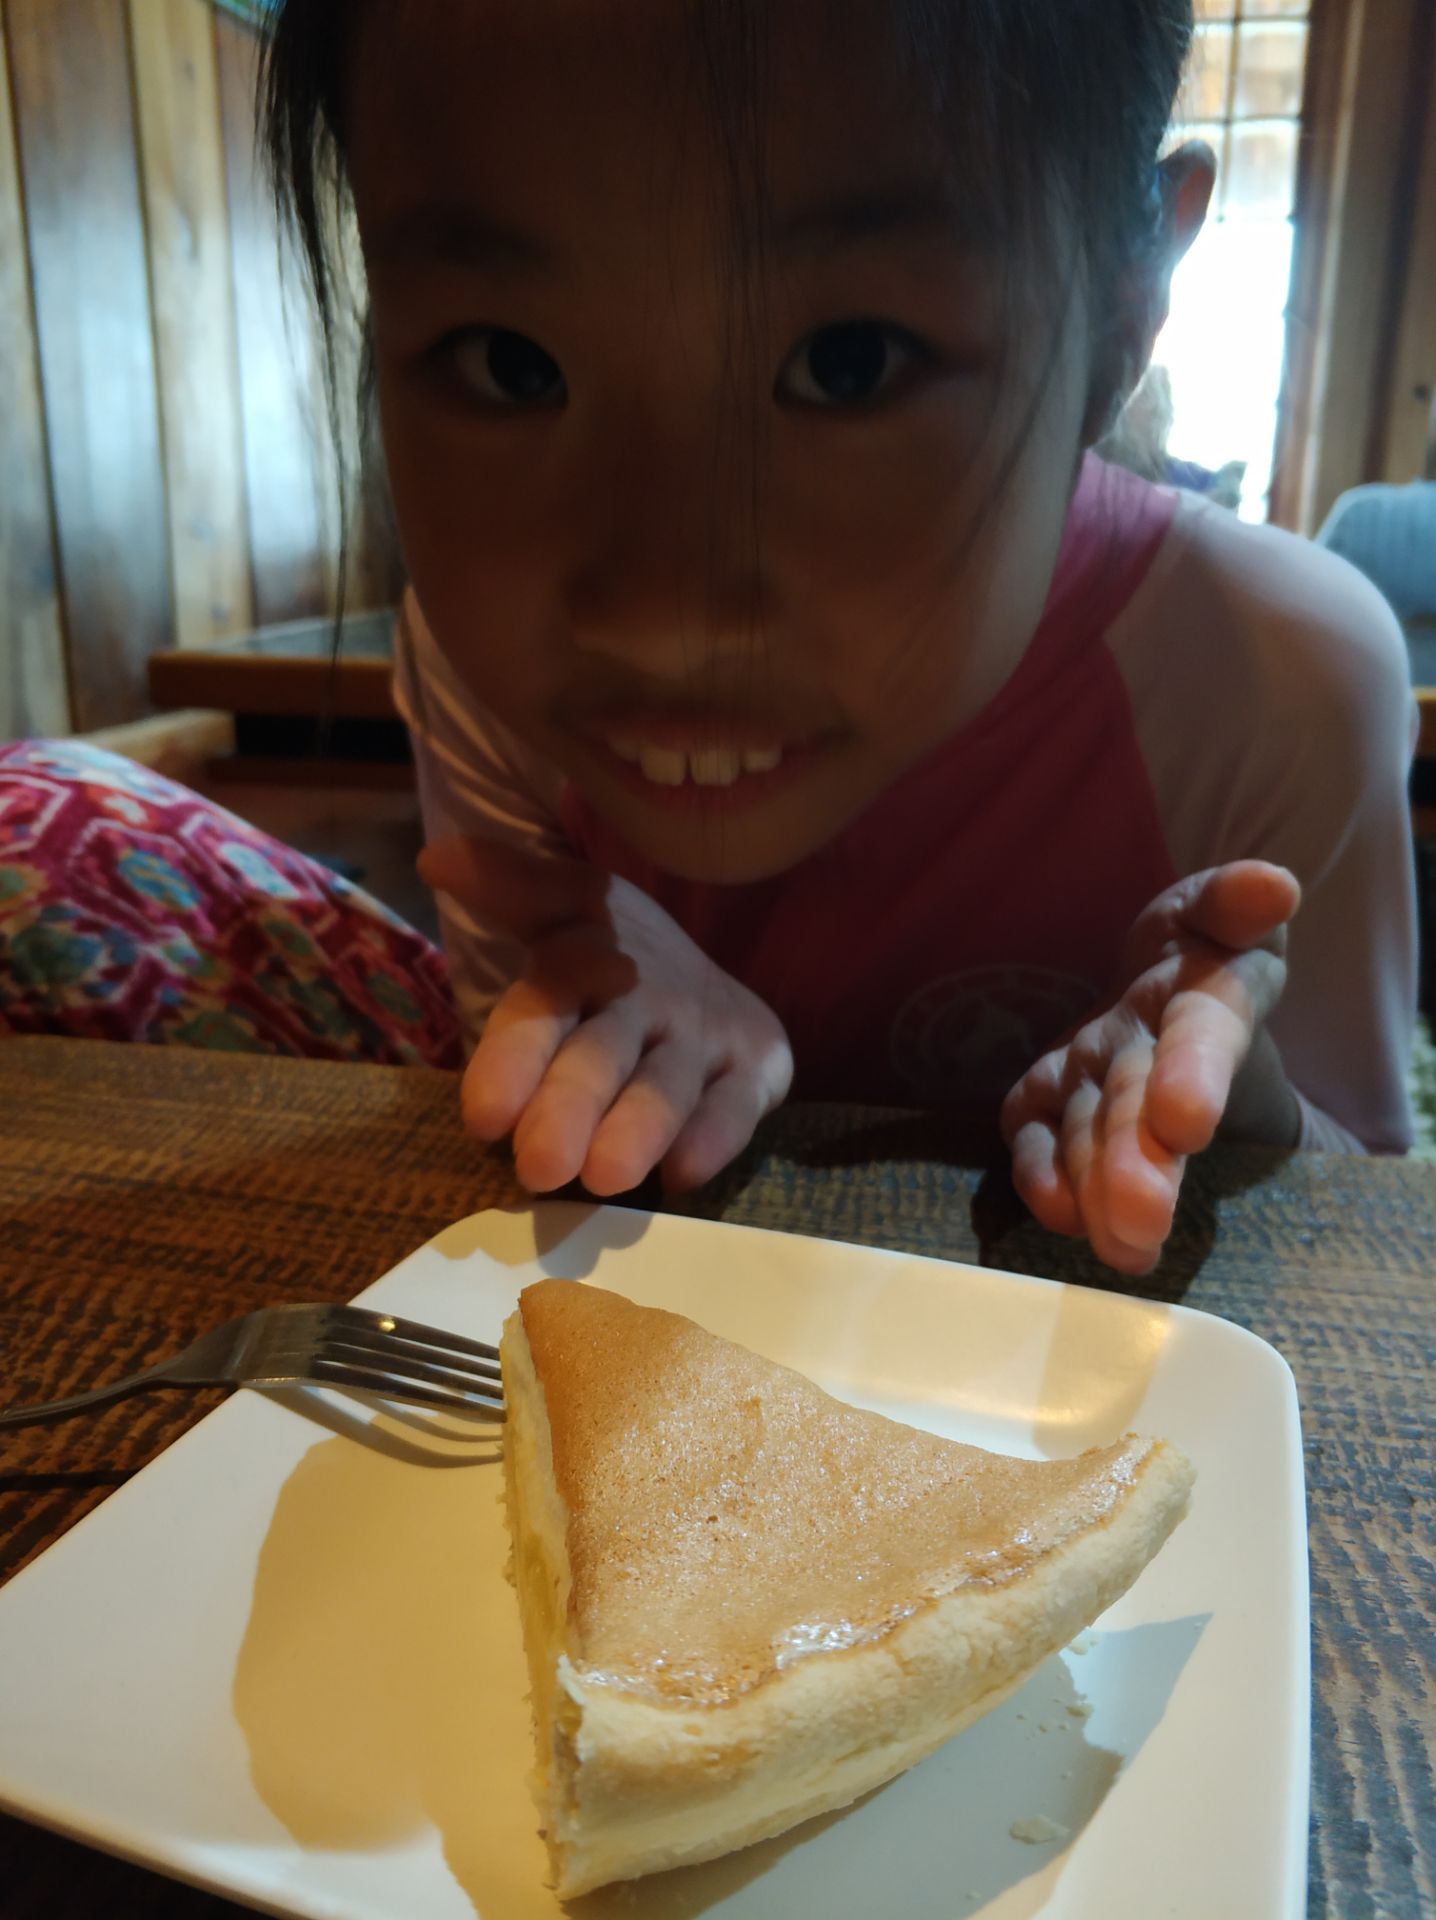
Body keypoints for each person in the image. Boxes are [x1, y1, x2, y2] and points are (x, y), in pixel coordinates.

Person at [263, 0, 1416, 1274]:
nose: (663, 618)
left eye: (849, 361)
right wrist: (606, 1035)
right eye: (509, 363)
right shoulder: (478, 663)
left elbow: (1370, 1222)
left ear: (1123, 305)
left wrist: (1246, 1127)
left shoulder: (1276, 678)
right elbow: (517, 1152)